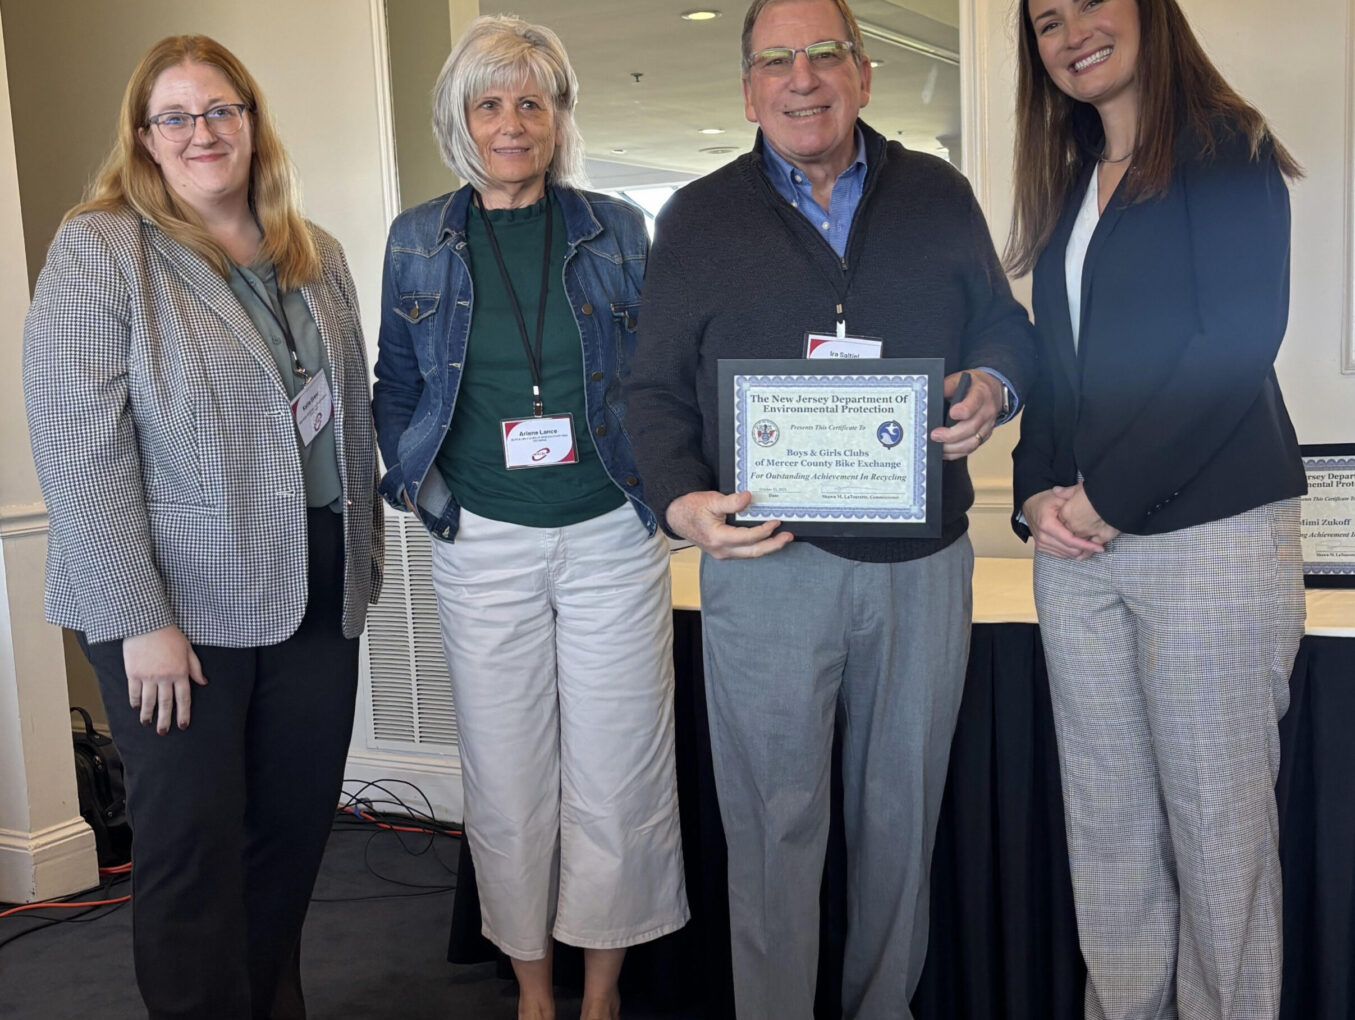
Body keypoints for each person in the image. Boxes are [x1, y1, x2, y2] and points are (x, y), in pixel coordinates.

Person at [623, 0, 1036, 1015]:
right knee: (770, 824)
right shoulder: (696, 215)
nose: (799, 78)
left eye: (821, 54)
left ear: (862, 73)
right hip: (765, 567)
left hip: (918, 567)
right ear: (747, 88)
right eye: (775, 59)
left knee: (901, 819)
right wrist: (681, 505)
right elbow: (648, 390)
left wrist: (992, 383)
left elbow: (1004, 327)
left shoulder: (936, 193)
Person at [22, 34, 382, 1020]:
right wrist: (141, 615)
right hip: (172, 602)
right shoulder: (104, 249)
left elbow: (347, 412)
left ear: (254, 122)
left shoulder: (316, 254)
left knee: (290, 833)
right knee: (190, 848)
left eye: (221, 109)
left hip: (316, 583)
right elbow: (80, 447)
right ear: (143, 138)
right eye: (174, 116)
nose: (202, 132)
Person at [370, 15, 687, 1020]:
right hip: (485, 539)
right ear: (460, 119)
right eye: (490, 102)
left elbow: (655, 377)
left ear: (557, 117)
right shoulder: (418, 237)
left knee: (618, 773)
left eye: (531, 102)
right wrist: (424, 492)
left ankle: (601, 992)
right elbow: (395, 384)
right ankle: (533, 990)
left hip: (607, 532)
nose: (512, 123)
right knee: (508, 780)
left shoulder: (616, 229)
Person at [1006, 0, 1307, 1016]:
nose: (1071, 30)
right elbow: (1057, 367)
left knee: (1218, 845)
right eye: (1044, 19)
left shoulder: (1228, 146)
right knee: (1110, 838)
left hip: (1209, 538)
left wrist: (1104, 499)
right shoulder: (1067, 181)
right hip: (1080, 551)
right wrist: (1035, 495)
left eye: (1089, 3)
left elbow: (1231, 344)